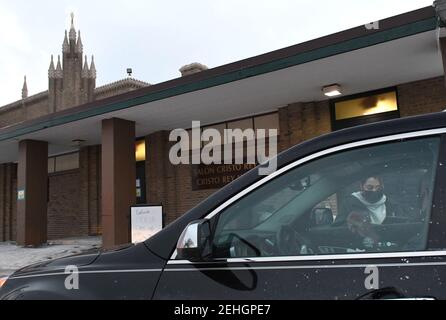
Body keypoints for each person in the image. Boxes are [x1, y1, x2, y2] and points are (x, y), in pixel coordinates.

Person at [335, 176, 403, 227]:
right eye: (370, 187)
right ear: (362, 186)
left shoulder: (391, 204)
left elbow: (401, 226)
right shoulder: (349, 203)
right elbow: (338, 227)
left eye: (377, 187)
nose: (374, 190)